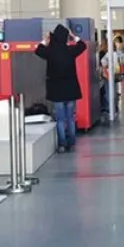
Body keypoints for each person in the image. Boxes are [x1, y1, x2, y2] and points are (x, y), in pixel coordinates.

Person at [34, 24, 87, 153]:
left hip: (57, 91)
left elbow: (38, 50)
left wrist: (45, 40)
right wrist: (74, 36)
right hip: (71, 89)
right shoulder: (70, 50)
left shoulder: (50, 52)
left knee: (60, 119)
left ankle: (62, 144)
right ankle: (72, 143)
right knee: (70, 117)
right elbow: (82, 45)